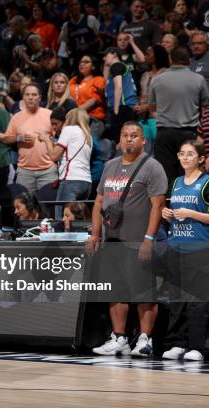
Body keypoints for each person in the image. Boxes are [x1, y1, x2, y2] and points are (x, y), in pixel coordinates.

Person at [87, 122, 167, 357]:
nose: (129, 139)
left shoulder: (152, 167)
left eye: (134, 136)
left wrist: (149, 238)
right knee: (115, 291)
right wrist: (94, 233)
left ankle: (145, 340)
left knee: (144, 293)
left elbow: (158, 206)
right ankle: (119, 338)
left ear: (144, 141)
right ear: (119, 140)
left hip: (138, 241)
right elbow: (99, 202)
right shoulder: (110, 166)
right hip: (113, 240)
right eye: (125, 135)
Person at [161, 139, 209, 361]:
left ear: (200, 159)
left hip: (199, 248)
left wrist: (191, 214)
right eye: (182, 154)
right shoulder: (176, 182)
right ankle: (176, 343)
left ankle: (197, 346)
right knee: (177, 299)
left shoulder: (206, 182)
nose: (185, 158)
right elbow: (173, 211)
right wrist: (167, 214)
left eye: (190, 154)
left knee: (197, 300)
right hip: (175, 246)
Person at [150, 47, 209, 184]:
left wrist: (163, 118)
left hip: (164, 133)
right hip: (189, 133)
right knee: (189, 176)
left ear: (171, 60)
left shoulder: (157, 80)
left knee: (165, 178)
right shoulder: (199, 79)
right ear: (188, 60)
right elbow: (206, 108)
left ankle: (169, 204)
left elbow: (152, 109)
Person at [0, 83, 56, 196]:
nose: (30, 97)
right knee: (24, 207)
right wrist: (19, 138)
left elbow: (58, 139)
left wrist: (49, 140)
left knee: (49, 207)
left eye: (34, 95)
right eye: (27, 94)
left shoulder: (49, 114)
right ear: (23, 97)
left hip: (48, 170)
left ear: (40, 97)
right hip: (25, 171)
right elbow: (6, 139)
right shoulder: (16, 117)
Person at [40, 108, 92, 217]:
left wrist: (46, 140)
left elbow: (54, 156)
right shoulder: (88, 135)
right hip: (86, 183)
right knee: (78, 220)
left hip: (71, 181)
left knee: (62, 218)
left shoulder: (69, 129)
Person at [103, 47, 138, 141]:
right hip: (126, 108)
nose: (104, 58)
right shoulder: (120, 66)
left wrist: (116, 109)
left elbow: (118, 86)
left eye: (106, 55)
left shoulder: (116, 66)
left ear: (114, 54)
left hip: (122, 108)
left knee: (121, 141)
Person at [69, 55, 106, 139]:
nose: (82, 64)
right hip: (75, 120)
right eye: (81, 62)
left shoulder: (98, 79)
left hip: (92, 120)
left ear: (93, 66)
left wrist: (75, 112)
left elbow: (94, 100)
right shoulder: (74, 80)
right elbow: (67, 95)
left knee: (88, 146)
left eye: (86, 62)